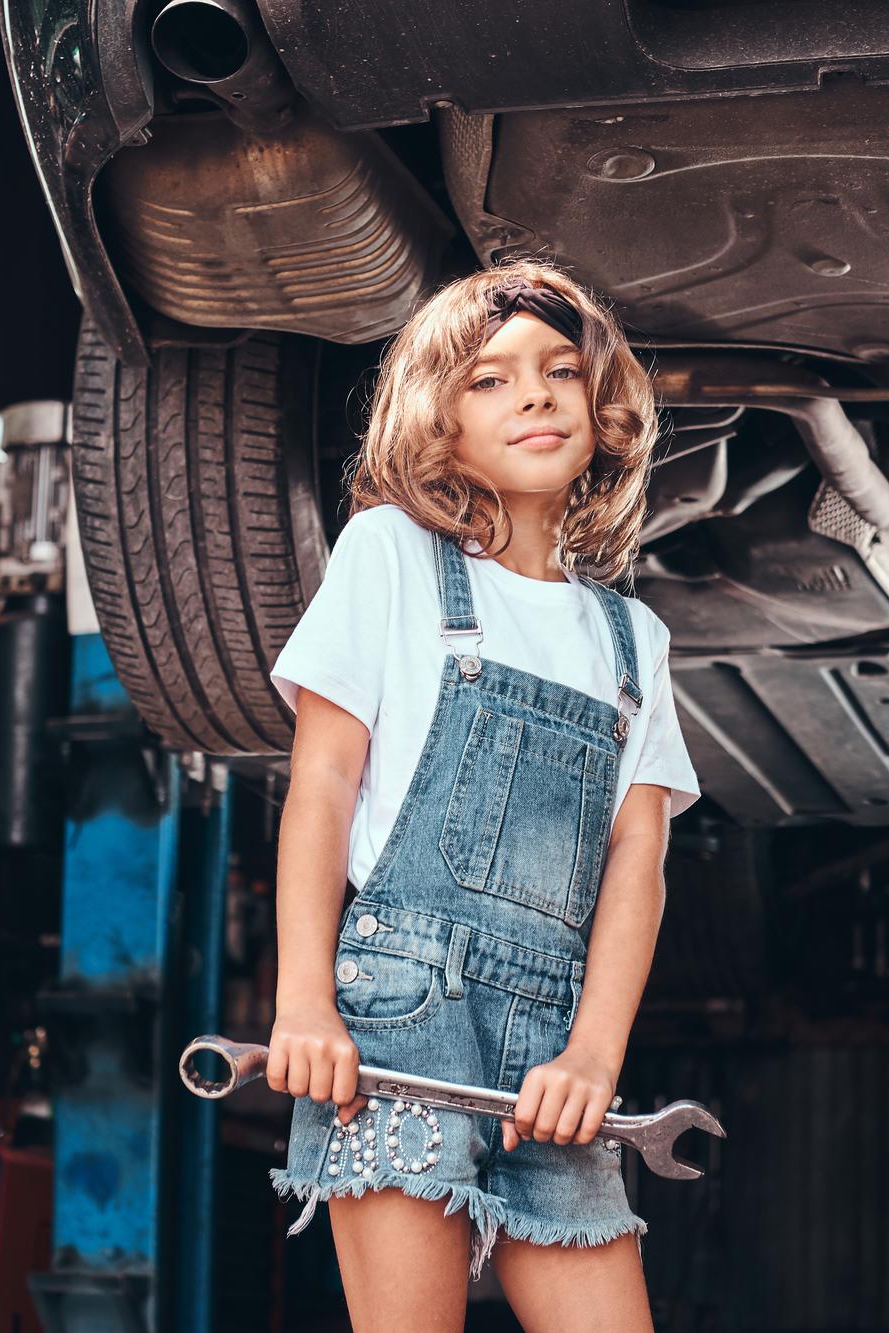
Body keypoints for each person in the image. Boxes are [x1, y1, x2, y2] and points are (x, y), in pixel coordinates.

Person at [263, 257, 702, 1332]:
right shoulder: (390, 558)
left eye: (558, 372)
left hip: (553, 1051)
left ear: (599, 412)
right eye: (490, 380)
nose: (534, 396)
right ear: (438, 424)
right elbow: (320, 782)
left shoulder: (630, 641)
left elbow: (634, 871)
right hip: (400, 1021)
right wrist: (304, 1002)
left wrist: (595, 1051)